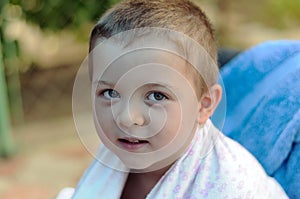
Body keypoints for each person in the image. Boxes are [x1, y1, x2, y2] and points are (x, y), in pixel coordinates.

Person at [57, 0, 288, 198]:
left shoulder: (232, 186)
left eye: (156, 96)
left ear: (204, 104)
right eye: (110, 93)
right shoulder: (122, 149)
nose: (127, 118)